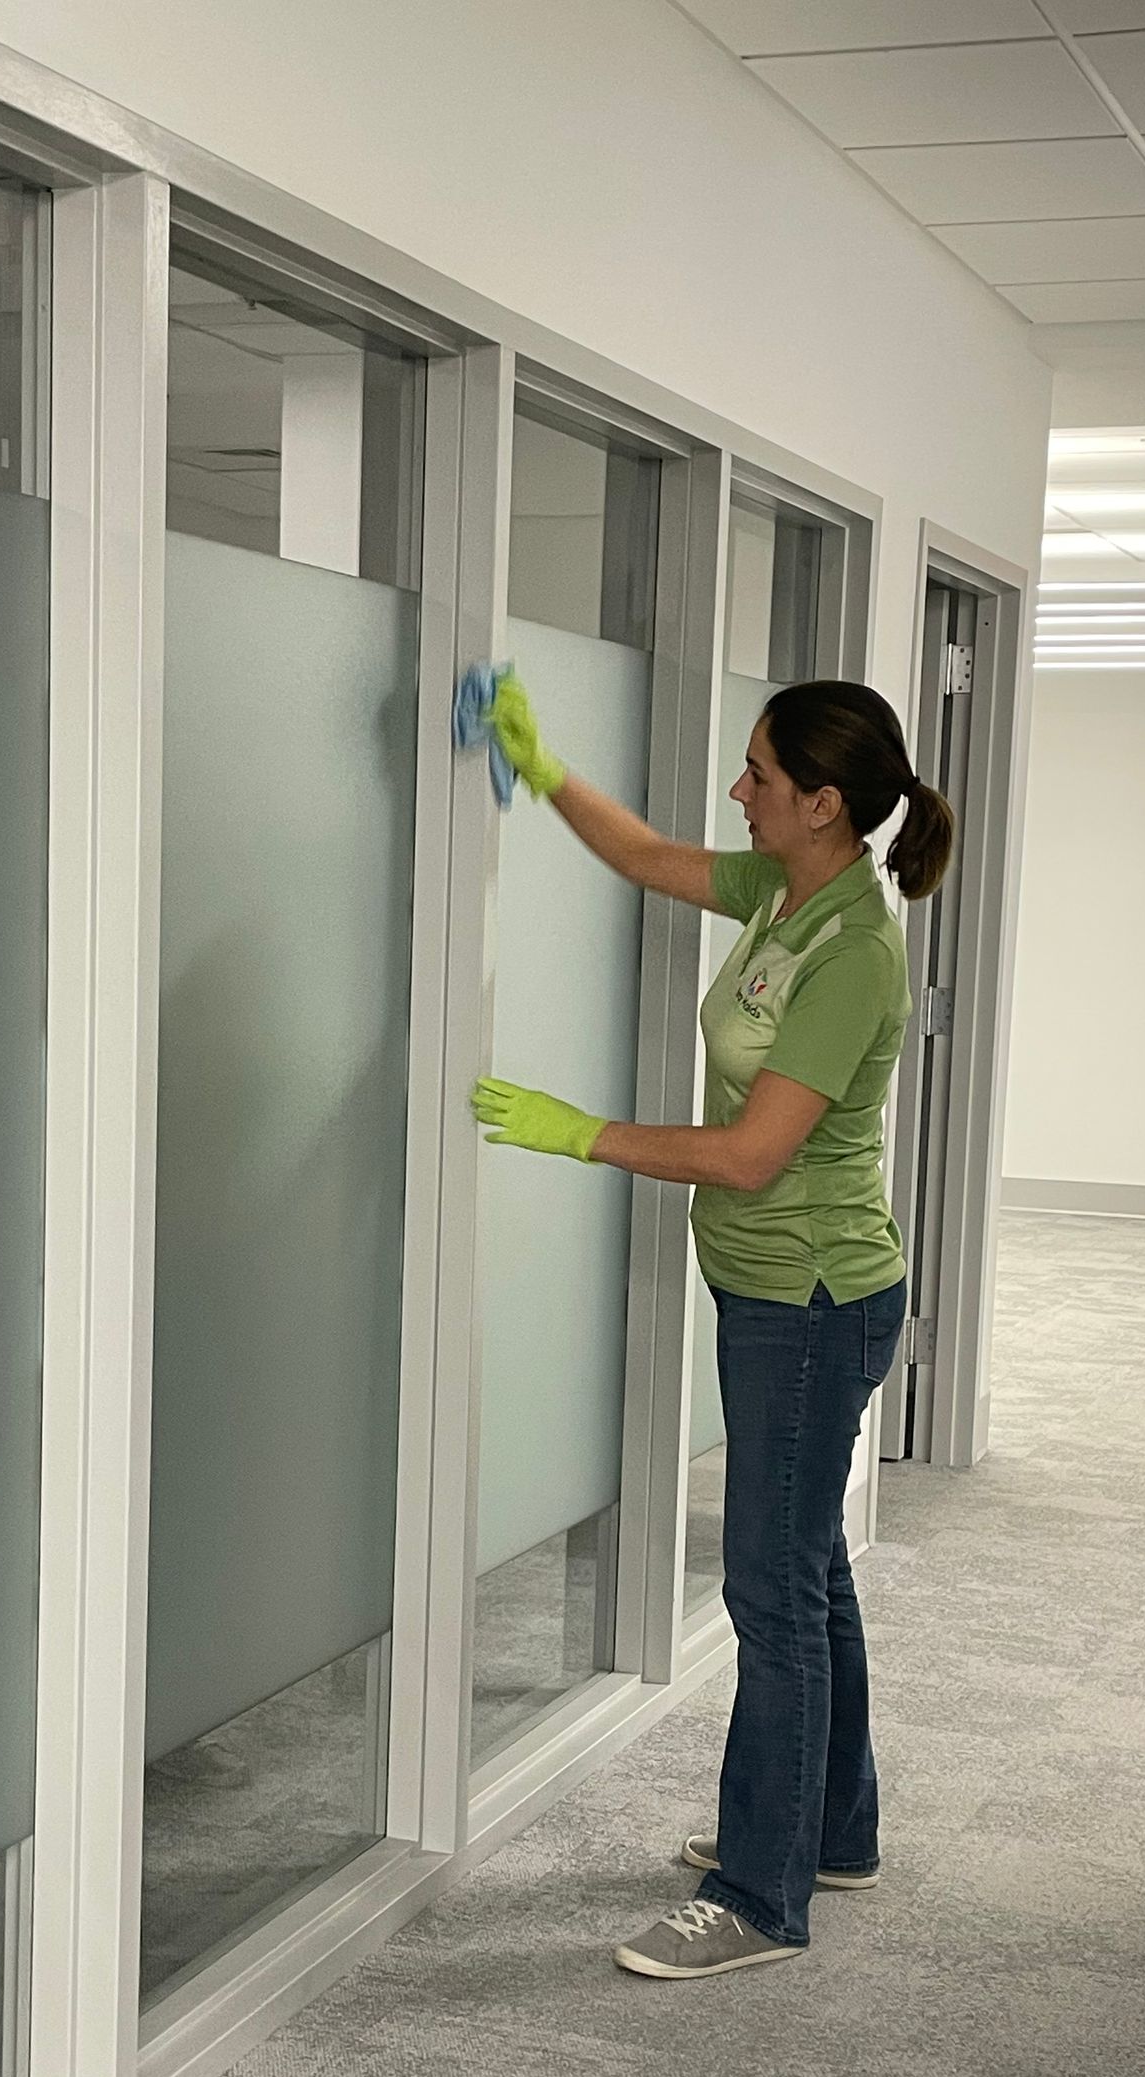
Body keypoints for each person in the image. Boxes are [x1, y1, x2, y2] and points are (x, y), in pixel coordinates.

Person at [472, 673, 953, 1983]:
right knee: (810, 1573)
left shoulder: (854, 949)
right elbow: (641, 855)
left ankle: (759, 1895)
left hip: (809, 1297)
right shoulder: (785, 892)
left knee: (771, 1590)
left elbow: (750, 1156)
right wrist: (540, 761)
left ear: (824, 802)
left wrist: (584, 1135)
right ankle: (833, 1832)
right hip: (775, 1291)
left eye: (756, 775)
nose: (736, 792)